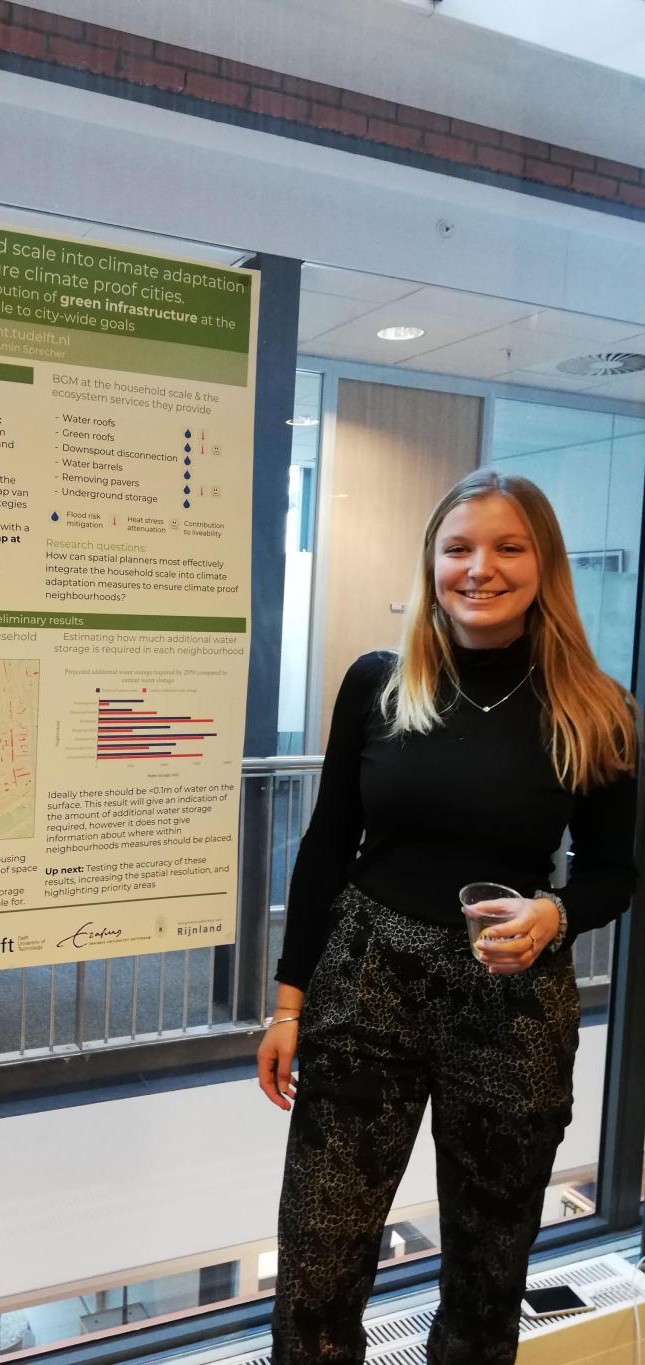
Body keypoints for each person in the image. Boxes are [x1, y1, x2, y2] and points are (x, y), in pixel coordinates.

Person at [258, 469, 638, 1365]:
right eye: (458, 547)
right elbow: (326, 845)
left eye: (508, 547)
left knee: (487, 1273)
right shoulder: (380, 683)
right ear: (432, 561)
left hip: (510, 996)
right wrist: (287, 1003)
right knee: (317, 1264)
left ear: (544, 563)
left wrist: (553, 913)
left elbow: (614, 873)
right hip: (366, 979)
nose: (479, 568)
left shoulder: (596, 706)